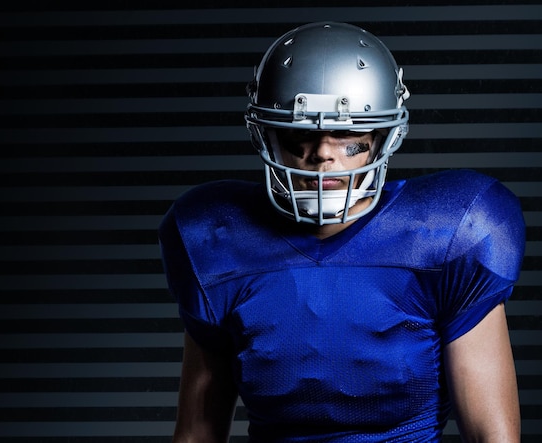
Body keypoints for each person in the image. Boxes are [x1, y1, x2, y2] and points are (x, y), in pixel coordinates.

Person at [159, 22, 526, 442]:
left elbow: (493, 437)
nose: (322, 154)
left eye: (346, 131)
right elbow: (196, 432)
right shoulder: (216, 240)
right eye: (300, 133)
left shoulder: (448, 233)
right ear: (267, 134)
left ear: (384, 135)